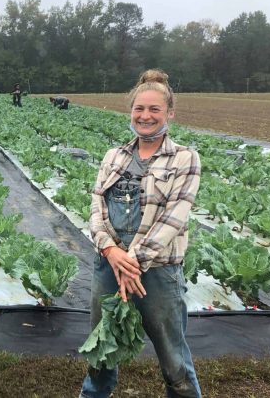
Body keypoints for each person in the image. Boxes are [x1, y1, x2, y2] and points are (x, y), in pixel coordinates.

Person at [80, 69, 202, 398]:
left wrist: (133, 262)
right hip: (109, 267)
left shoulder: (185, 159)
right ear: (130, 111)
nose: (145, 116)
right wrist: (110, 252)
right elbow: (96, 206)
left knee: (174, 359)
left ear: (169, 114)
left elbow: (174, 217)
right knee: (101, 350)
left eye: (154, 110)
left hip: (158, 272)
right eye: (139, 109)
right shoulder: (114, 156)